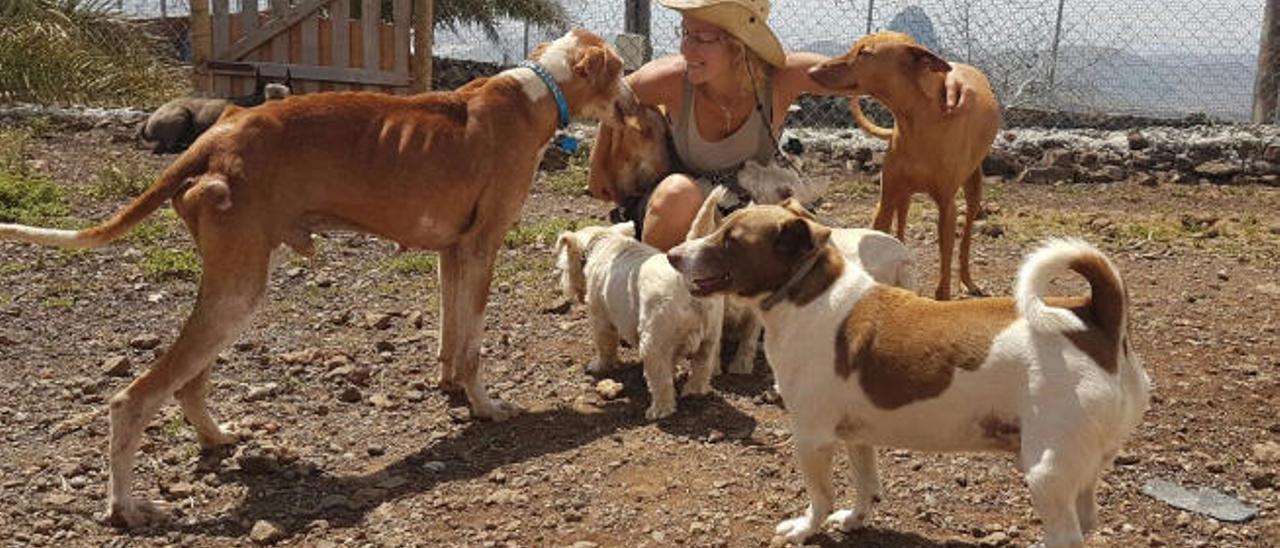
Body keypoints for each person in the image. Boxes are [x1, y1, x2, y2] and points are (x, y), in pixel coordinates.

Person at [590, 0, 981, 251]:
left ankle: (744, 321)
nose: (686, 49)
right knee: (677, 193)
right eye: (685, 34)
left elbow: (867, 70)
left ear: (739, 44)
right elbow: (612, 97)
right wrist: (598, 170)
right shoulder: (672, 78)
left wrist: (951, 74)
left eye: (702, 38)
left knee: (802, 233)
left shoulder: (782, 77)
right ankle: (663, 304)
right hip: (684, 208)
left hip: (752, 203)